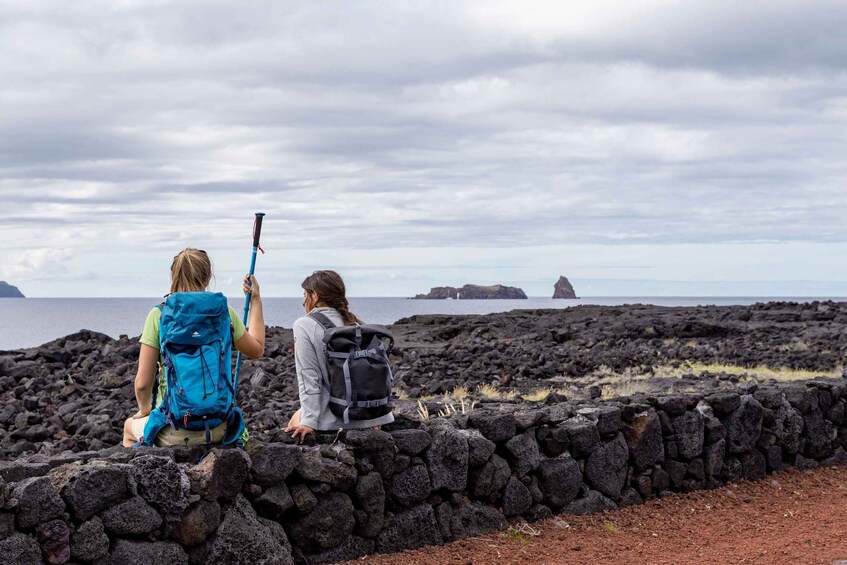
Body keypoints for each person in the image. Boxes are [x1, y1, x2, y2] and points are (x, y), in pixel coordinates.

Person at [121, 248, 265, 447]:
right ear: (208, 277)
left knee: (129, 428)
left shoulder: (159, 315)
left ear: (174, 275)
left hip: (174, 430)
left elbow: (142, 383)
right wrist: (255, 300)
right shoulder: (223, 313)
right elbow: (257, 349)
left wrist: (145, 410)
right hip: (220, 428)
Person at [284, 270, 394, 443]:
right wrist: (374, 419)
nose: (303, 300)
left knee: (294, 420)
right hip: (373, 416)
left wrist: (309, 422)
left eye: (305, 294)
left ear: (315, 296)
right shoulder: (355, 324)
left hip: (337, 417)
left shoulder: (304, 325)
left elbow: (308, 376)